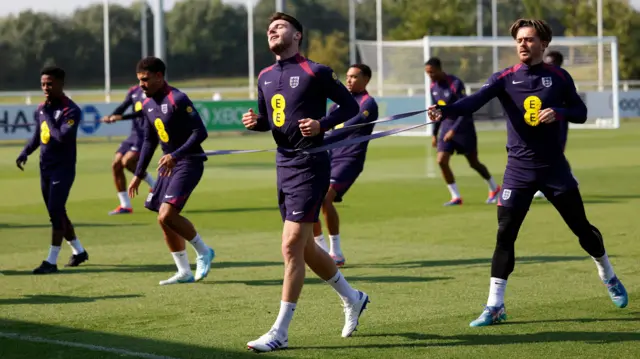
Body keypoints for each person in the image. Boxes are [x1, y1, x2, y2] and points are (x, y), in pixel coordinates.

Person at [427, 19, 628, 327]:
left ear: (543, 44)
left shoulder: (559, 77)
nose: (522, 44)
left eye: (529, 39)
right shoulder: (504, 77)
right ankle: (495, 305)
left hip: (554, 169)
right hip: (518, 171)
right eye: (519, 40)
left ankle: (607, 272)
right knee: (505, 236)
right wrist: (445, 110)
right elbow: (471, 103)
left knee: (582, 230)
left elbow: (582, 113)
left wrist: (558, 113)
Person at [242, 12, 369, 352]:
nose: (272, 30)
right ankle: (353, 298)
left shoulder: (316, 70)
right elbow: (271, 120)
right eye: (270, 28)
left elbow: (350, 106)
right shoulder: (265, 75)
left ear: (297, 35)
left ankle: (280, 332)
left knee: (291, 245)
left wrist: (322, 124)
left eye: (280, 26)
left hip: (312, 162)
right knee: (307, 246)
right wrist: (256, 122)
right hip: (283, 163)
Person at [125, 57, 215, 286]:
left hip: (189, 162)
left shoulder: (177, 99)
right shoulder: (147, 105)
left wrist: (175, 155)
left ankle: (204, 252)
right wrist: (138, 174)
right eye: (138, 81)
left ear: (159, 76)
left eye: (145, 80)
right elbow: (148, 141)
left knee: (167, 215)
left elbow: (200, 132)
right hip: (169, 166)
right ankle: (183, 271)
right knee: (162, 220)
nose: (141, 85)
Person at [16, 66, 89, 274]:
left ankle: (51, 260)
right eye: (43, 84)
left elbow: (60, 137)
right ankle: (79, 251)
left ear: (61, 84)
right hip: (45, 168)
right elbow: (39, 135)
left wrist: (47, 114)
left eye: (50, 84)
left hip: (63, 169)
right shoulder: (41, 108)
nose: (46, 88)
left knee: (56, 211)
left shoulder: (71, 110)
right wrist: (25, 152)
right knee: (56, 213)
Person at [312, 63, 379, 267]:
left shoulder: (368, 104)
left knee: (325, 199)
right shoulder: (338, 105)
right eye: (347, 76)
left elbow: (347, 128)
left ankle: (336, 252)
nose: (348, 80)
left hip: (350, 159)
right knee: (312, 202)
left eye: (354, 77)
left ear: (366, 79)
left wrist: (321, 134)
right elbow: (327, 124)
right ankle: (322, 251)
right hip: (329, 156)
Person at [425, 58, 501, 206]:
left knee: (474, 163)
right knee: (441, 160)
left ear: (440, 69)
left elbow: (467, 109)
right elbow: (437, 111)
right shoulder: (433, 86)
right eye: (428, 73)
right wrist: (435, 134)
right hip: (446, 127)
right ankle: (456, 196)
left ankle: (494, 187)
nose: (430, 75)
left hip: (463, 127)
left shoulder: (455, 83)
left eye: (432, 72)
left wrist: (454, 130)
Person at [101, 85, 156, 215]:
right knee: (116, 164)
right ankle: (125, 205)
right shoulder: (133, 91)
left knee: (128, 161)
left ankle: (155, 185)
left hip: (147, 135)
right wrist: (111, 116)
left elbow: (142, 112)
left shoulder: (153, 91)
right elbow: (123, 106)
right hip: (133, 135)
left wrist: (121, 118)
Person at [534, 50, 566, 200]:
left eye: (551, 62)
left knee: (553, 154)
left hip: (558, 124)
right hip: (541, 124)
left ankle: (548, 186)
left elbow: (571, 107)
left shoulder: (562, 79)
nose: (547, 65)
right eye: (546, 62)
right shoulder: (541, 78)